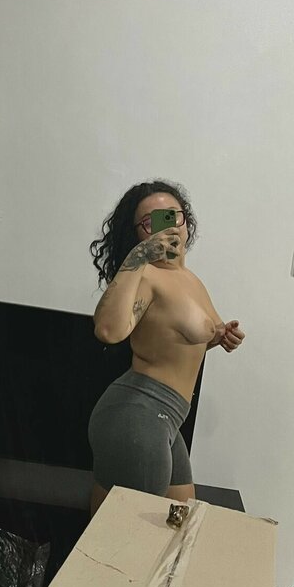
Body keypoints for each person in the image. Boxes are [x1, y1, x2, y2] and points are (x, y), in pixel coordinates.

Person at [87, 179, 244, 514]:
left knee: (177, 523)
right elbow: (108, 330)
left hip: (167, 418)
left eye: (173, 215)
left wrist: (222, 336)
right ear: (137, 234)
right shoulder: (145, 275)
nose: (168, 227)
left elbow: (187, 341)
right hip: (137, 413)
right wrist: (139, 257)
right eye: (151, 222)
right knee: (128, 535)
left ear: (186, 222)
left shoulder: (191, 280)